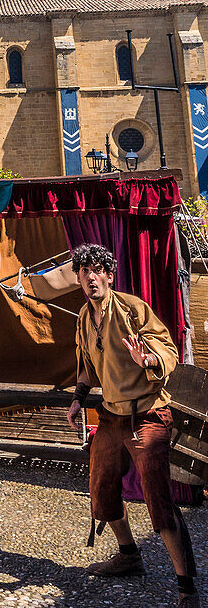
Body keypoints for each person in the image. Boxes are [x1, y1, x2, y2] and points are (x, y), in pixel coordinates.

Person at [66, 244, 199, 608]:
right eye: (84, 271)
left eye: (97, 270)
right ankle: (129, 555)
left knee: (158, 499)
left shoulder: (132, 308)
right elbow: (87, 366)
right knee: (102, 487)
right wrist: (79, 398)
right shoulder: (82, 316)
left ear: (110, 275)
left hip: (148, 414)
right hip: (111, 415)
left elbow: (168, 350)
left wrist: (150, 358)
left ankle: (186, 587)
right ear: (78, 278)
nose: (90, 277)